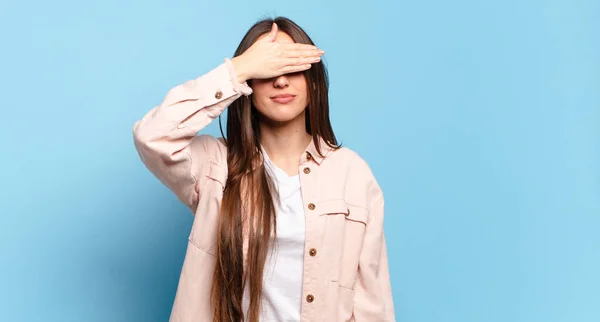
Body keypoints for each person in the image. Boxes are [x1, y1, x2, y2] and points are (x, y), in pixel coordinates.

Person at [132, 16, 395, 322]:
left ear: (313, 80)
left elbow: (372, 304)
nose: (281, 80)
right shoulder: (215, 165)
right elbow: (152, 136)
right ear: (249, 84)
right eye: (268, 68)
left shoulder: (353, 174)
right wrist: (236, 70)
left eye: (292, 67)